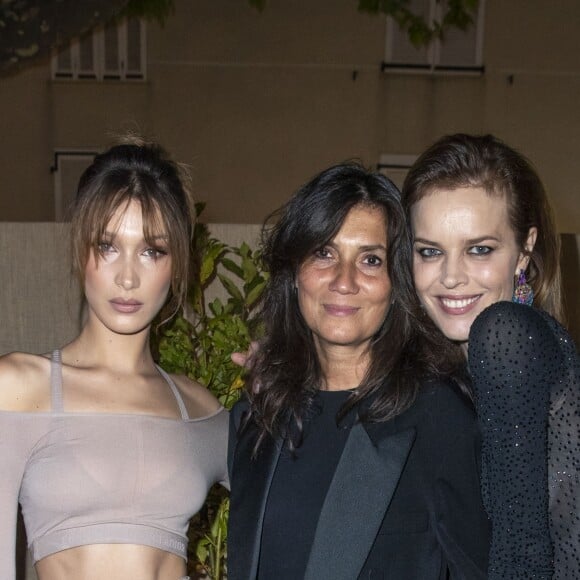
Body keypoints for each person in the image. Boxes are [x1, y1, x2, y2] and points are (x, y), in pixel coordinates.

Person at [227, 162, 490, 580]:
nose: (343, 280)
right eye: (324, 253)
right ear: (294, 273)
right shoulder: (256, 416)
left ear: (396, 283)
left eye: (370, 259)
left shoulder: (440, 416)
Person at [0, 142, 229, 580]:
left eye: (151, 251)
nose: (127, 277)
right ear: (79, 250)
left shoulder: (199, 408)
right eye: (107, 246)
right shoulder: (17, 387)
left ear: (178, 263)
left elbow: (300, 499)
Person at [402, 133, 580, 579]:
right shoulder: (473, 362)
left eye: (479, 249)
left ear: (524, 250)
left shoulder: (505, 334)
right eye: (429, 251)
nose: (451, 276)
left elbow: (522, 556)